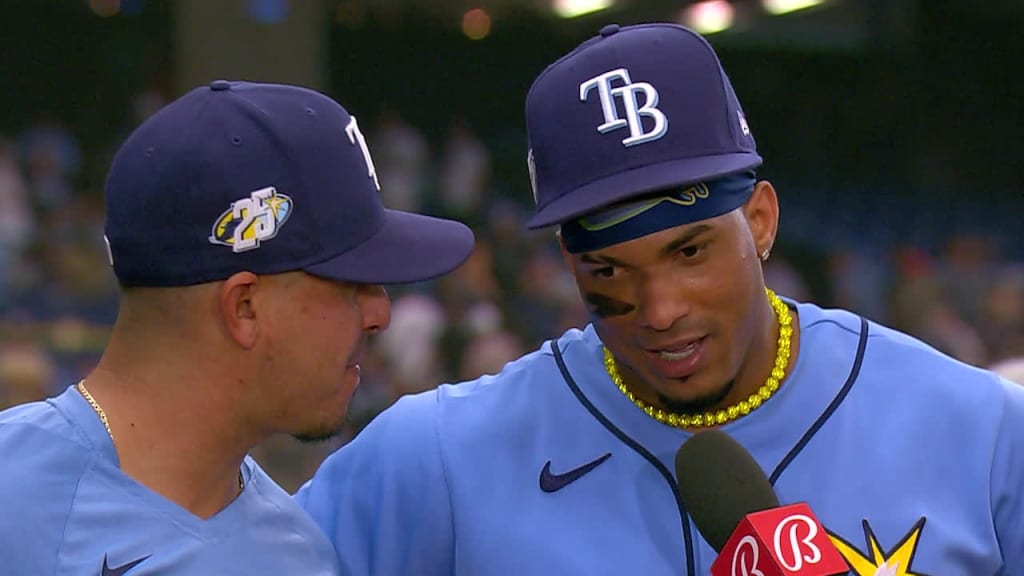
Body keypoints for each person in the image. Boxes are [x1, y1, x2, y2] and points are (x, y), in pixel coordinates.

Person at [296, 24, 1024, 575]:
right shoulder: (438, 458)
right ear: (567, 264)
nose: (660, 308)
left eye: (690, 250)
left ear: (761, 221)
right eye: (609, 270)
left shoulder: (981, 432)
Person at [0, 80, 474, 575]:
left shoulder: (300, 555)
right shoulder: (13, 497)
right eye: (353, 284)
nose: (381, 315)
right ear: (244, 307)